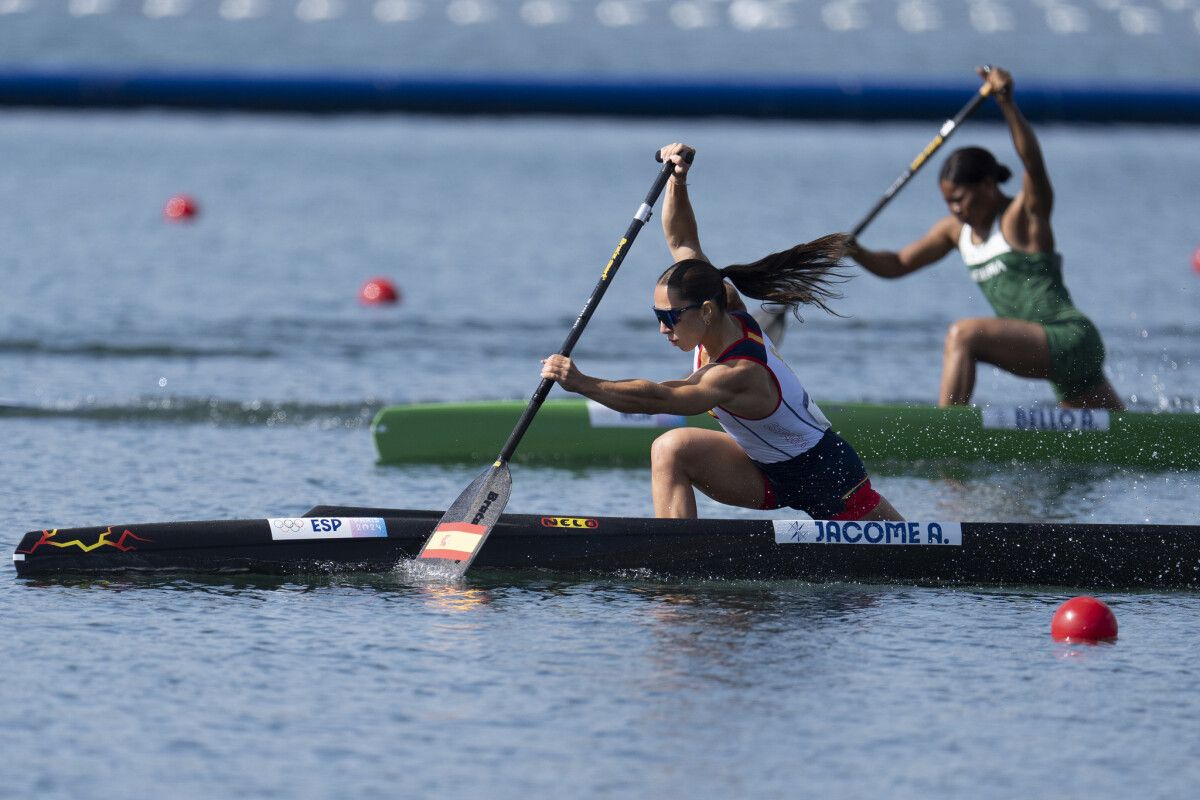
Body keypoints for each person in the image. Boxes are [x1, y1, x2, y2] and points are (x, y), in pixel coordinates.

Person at [540, 143, 903, 522]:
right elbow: (682, 243)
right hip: (764, 472)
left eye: (671, 316)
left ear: (707, 312)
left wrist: (582, 382)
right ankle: (674, 562)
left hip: (826, 476)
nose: (663, 328)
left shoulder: (738, 374)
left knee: (899, 567)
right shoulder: (718, 295)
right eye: (657, 314)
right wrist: (677, 180)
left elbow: (662, 398)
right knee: (670, 449)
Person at [845, 66, 1124, 410]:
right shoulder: (953, 231)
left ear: (989, 187)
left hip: (1067, 339)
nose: (954, 209)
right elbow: (897, 265)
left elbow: (1033, 165)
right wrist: (855, 251)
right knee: (1117, 442)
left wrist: (1007, 103)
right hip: (1043, 351)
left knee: (963, 335)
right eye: (948, 201)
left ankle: (945, 432)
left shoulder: (1022, 216)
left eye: (959, 198)